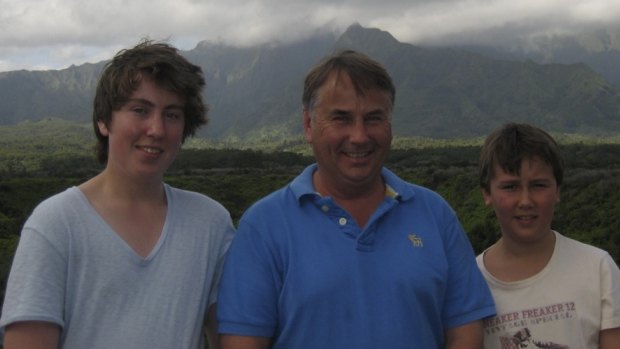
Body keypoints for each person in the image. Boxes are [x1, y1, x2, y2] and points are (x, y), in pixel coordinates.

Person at [216, 50, 495, 349]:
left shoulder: (435, 214)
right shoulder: (263, 226)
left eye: (374, 118)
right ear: (309, 124)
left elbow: (464, 331)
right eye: (342, 118)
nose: (359, 136)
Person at [0, 40, 235, 349]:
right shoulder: (56, 224)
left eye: (173, 114)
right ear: (104, 121)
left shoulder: (210, 224)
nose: (156, 129)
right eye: (140, 110)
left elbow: (232, 333)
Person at [476, 122, 620, 348]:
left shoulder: (597, 268)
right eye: (511, 187)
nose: (525, 201)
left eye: (539, 185)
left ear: (558, 190)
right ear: (487, 193)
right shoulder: (470, 282)